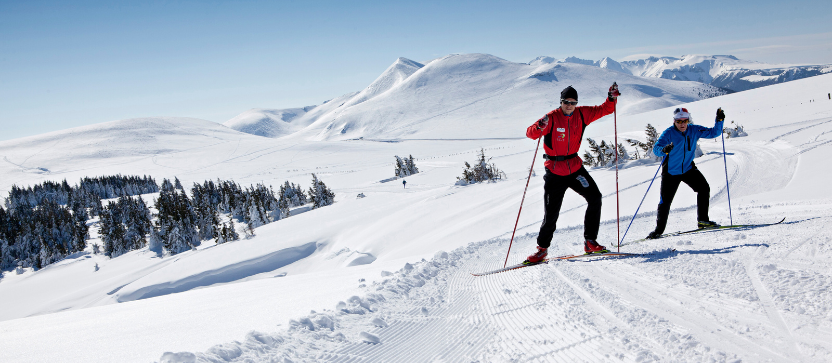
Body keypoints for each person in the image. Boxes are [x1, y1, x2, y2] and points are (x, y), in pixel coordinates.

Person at [524, 83, 620, 264]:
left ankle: (590, 242)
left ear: (577, 103)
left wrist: (610, 98)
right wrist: (539, 127)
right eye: (566, 102)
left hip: (575, 169)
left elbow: (605, 109)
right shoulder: (551, 117)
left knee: (595, 197)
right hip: (554, 171)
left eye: (573, 102)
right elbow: (530, 134)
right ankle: (542, 249)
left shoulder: (582, 114)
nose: (569, 105)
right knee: (551, 213)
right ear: (561, 102)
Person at [645, 107, 725, 239]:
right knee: (665, 202)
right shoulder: (668, 133)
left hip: (688, 169)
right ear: (674, 121)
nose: (682, 124)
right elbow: (656, 149)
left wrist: (719, 120)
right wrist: (664, 149)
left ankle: (703, 221)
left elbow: (713, 133)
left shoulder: (694, 130)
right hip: (671, 172)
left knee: (704, 189)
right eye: (679, 121)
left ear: (688, 120)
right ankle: (658, 231)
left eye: (685, 121)